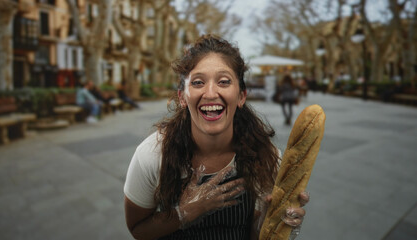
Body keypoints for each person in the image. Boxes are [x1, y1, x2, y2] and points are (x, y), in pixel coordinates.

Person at [123, 35, 309, 240]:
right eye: (198, 82)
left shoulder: (266, 158)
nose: (211, 93)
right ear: (182, 97)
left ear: (241, 96)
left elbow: (256, 236)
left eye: (223, 81)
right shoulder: (152, 154)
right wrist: (185, 212)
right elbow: (138, 229)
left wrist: (272, 222)